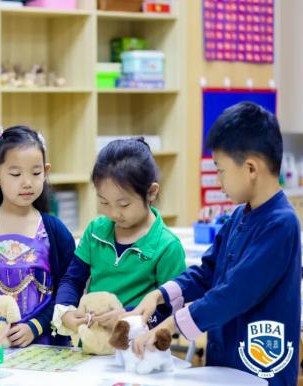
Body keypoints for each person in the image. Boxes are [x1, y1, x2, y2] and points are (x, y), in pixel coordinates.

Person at [131, 102, 301, 386]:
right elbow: (207, 271)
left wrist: (171, 325)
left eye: (220, 170)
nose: (219, 181)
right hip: (227, 360)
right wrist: (158, 296)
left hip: (261, 366)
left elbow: (235, 293)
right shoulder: (238, 217)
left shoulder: (281, 224)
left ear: (250, 168)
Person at [0, 126, 75, 347]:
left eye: (36, 173)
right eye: (16, 174)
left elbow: (69, 289)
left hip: (45, 349)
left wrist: (36, 325)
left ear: (46, 171)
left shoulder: (55, 231)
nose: (27, 182)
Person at [52, 138, 186, 338]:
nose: (114, 213)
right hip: (93, 344)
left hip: (138, 349)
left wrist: (129, 318)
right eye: (104, 202)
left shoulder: (167, 246)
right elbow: (72, 279)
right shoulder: (95, 231)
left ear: (151, 192)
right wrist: (65, 310)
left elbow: (171, 309)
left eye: (123, 205)